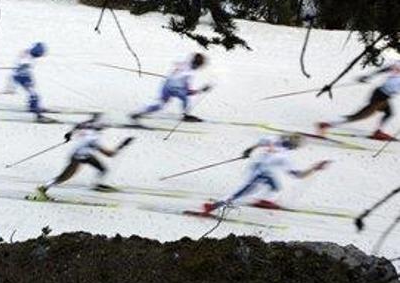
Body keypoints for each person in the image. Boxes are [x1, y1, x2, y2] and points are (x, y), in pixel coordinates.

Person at [202, 134, 330, 214]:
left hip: (259, 167)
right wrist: (315, 168)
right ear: (295, 146)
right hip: (259, 174)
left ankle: (264, 201)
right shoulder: (284, 156)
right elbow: (297, 175)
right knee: (241, 193)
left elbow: (260, 142)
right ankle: (213, 206)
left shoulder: (274, 139)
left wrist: (248, 151)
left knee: (275, 187)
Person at [36, 114, 134, 198]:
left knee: (103, 169)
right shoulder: (93, 139)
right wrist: (123, 145)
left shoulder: (88, 130)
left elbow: (79, 125)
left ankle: (97, 185)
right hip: (77, 157)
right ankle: (43, 188)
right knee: (65, 177)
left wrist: (69, 135)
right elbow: (110, 154)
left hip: (86, 155)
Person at [317, 62, 400, 140]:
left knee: (389, 113)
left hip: (382, 94)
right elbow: (387, 69)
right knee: (360, 116)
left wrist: (369, 76)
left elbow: (387, 69)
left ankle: (378, 132)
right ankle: (326, 124)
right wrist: (368, 76)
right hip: (381, 96)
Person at [130, 53, 212, 122]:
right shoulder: (189, 71)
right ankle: (185, 115)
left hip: (167, 85)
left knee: (161, 104)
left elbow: (178, 69)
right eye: (200, 64)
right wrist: (200, 91)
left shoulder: (185, 66)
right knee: (184, 98)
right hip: (174, 87)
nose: (200, 67)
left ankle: (139, 113)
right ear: (197, 63)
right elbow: (187, 90)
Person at [10, 42, 50, 122]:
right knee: (34, 95)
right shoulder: (27, 57)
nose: (39, 56)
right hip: (22, 77)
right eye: (39, 54)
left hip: (24, 76)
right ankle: (37, 115)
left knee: (33, 94)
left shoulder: (27, 53)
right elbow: (22, 65)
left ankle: (33, 107)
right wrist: (24, 67)